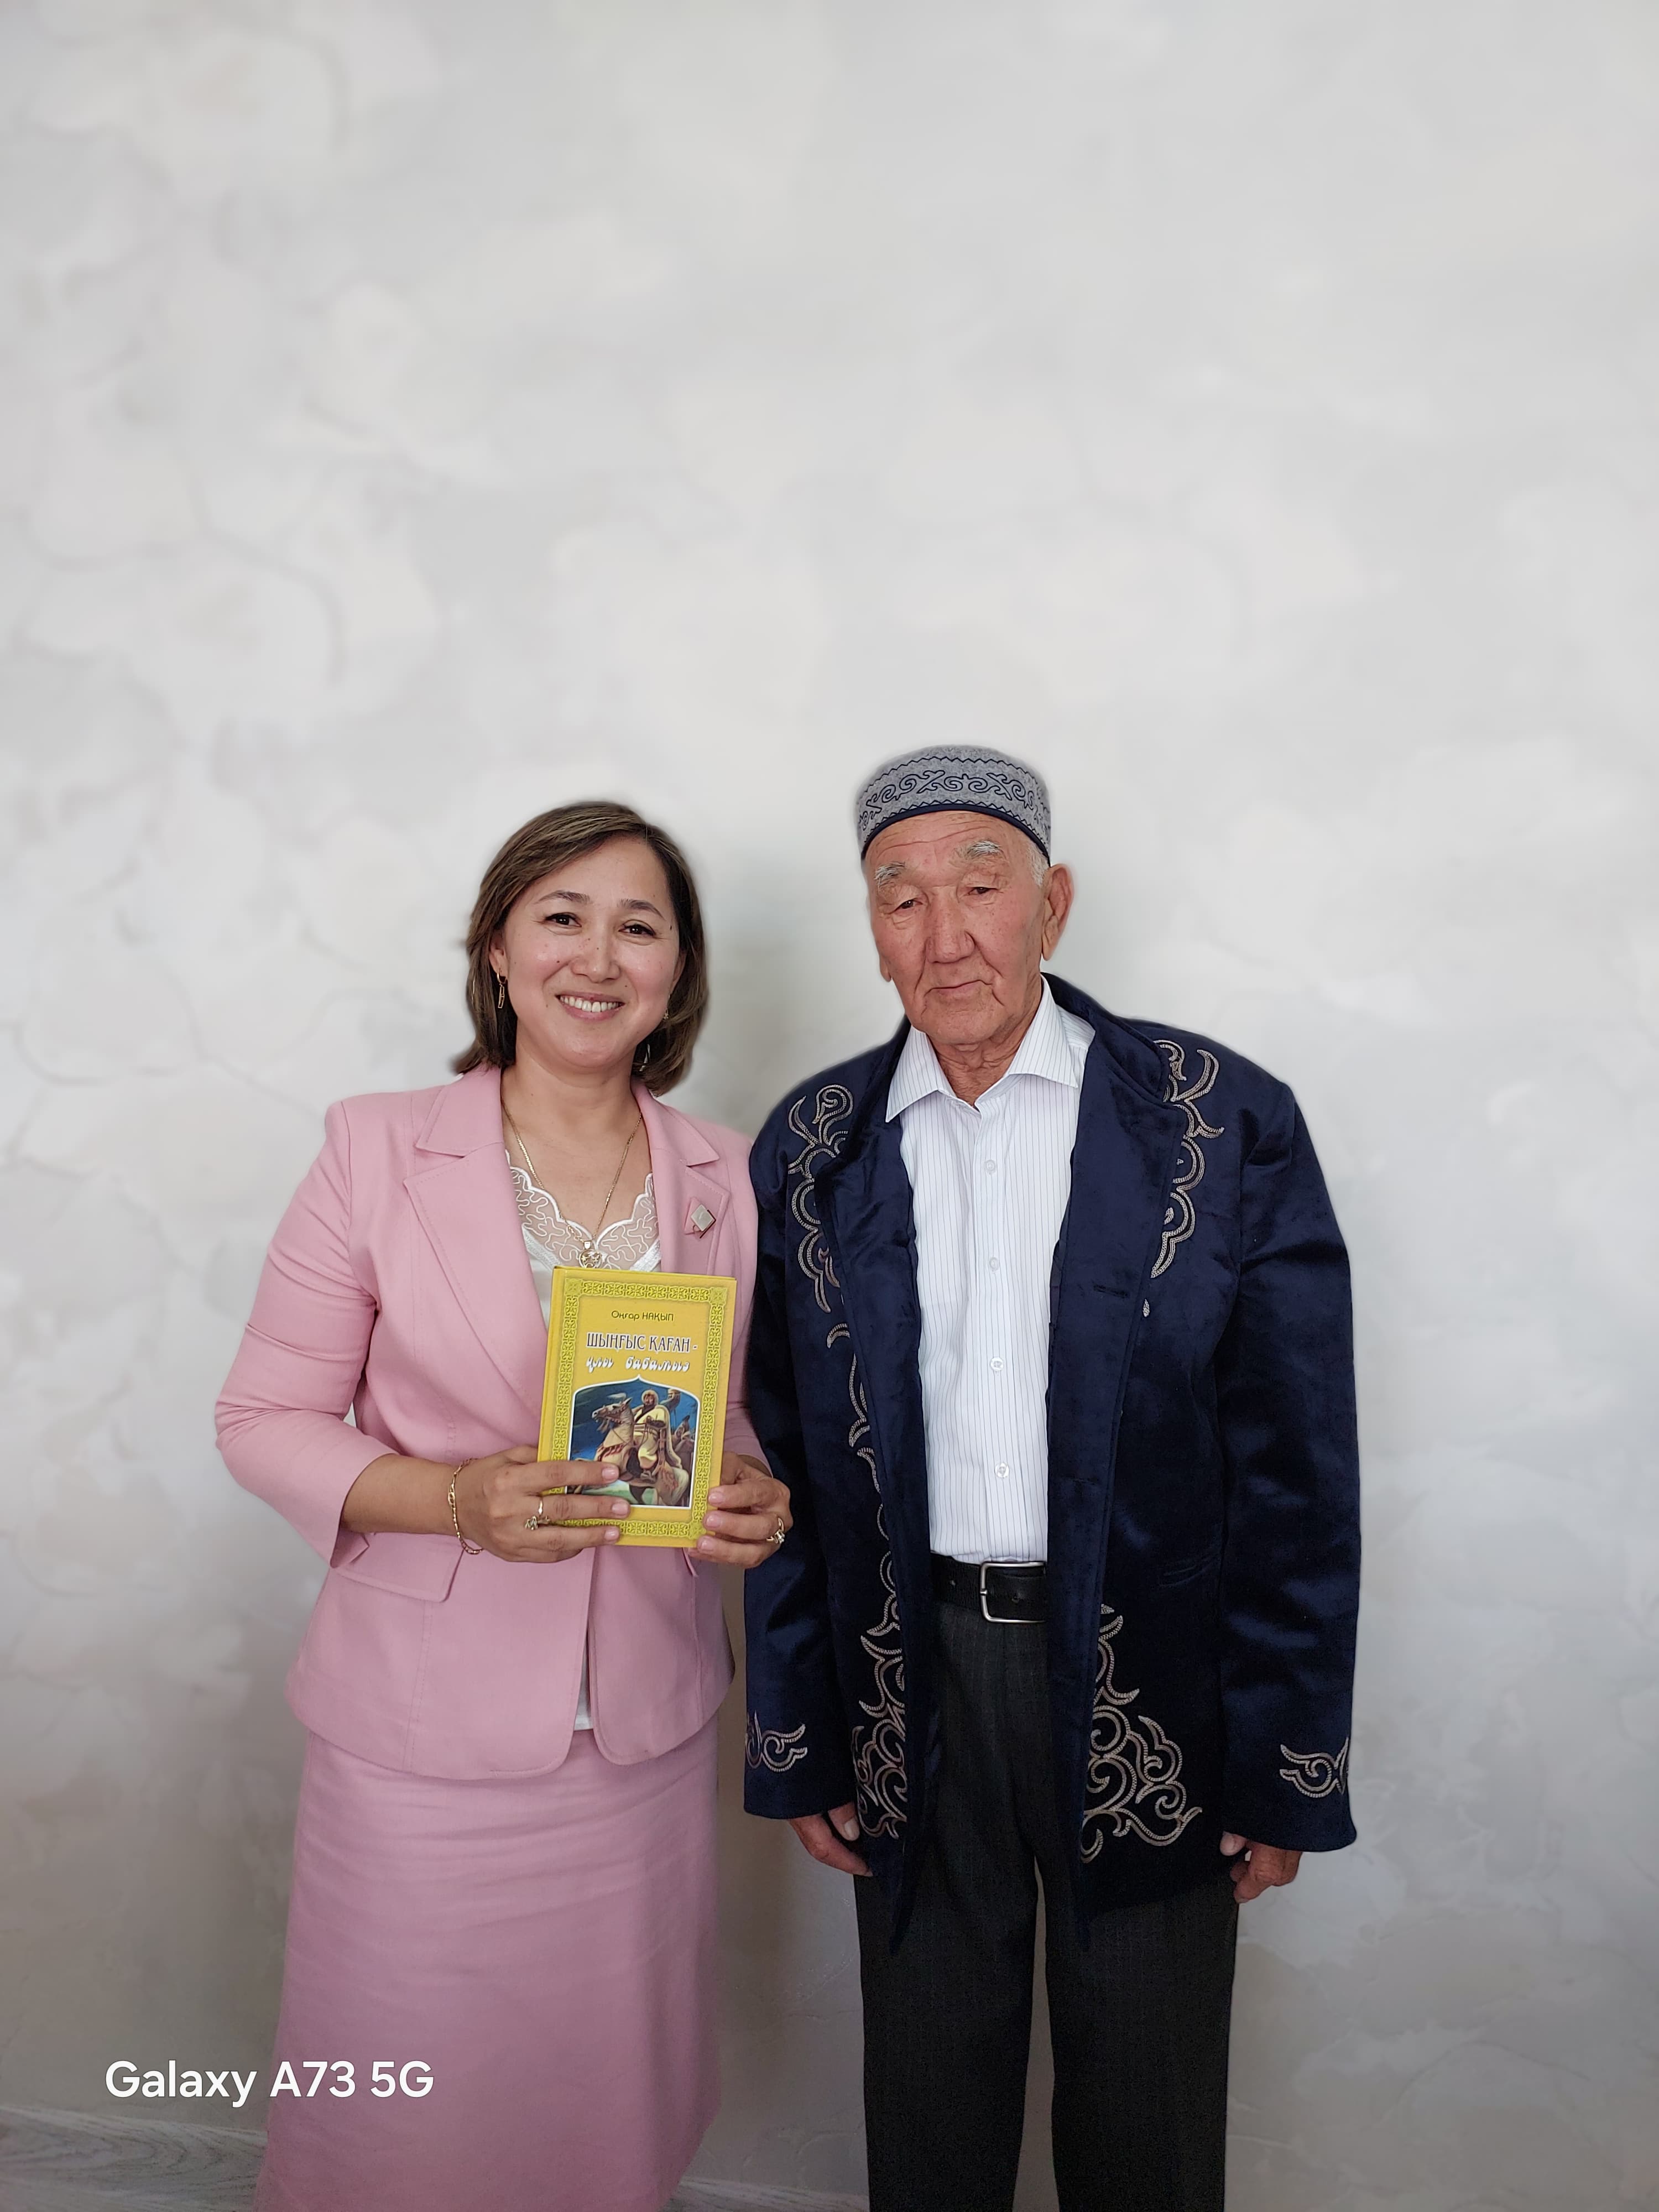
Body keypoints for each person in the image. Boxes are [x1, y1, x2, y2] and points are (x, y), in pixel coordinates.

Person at [742, 747, 1360, 2212]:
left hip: (1158, 1683)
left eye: (981, 885)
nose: (944, 933)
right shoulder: (814, 1146)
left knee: (1147, 2107)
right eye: (902, 898)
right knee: (929, 2096)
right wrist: (800, 1730)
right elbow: (778, 1463)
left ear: (1054, 902)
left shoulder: (1217, 1120)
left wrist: (1286, 1757)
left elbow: (1297, 1463)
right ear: (872, 929)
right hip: (910, 1675)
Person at [217, 801, 792, 2212]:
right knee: (400, 2109)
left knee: (599, 2102)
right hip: (420, 1736)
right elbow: (263, 1418)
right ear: (496, 948)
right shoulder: (373, 1149)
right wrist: (454, 1497)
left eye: (639, 926)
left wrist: (750, 1487)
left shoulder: (728, 1175)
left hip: (640, 1733)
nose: (598, 956)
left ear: (676, 969)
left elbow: (728, 1413)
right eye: (561, 916)